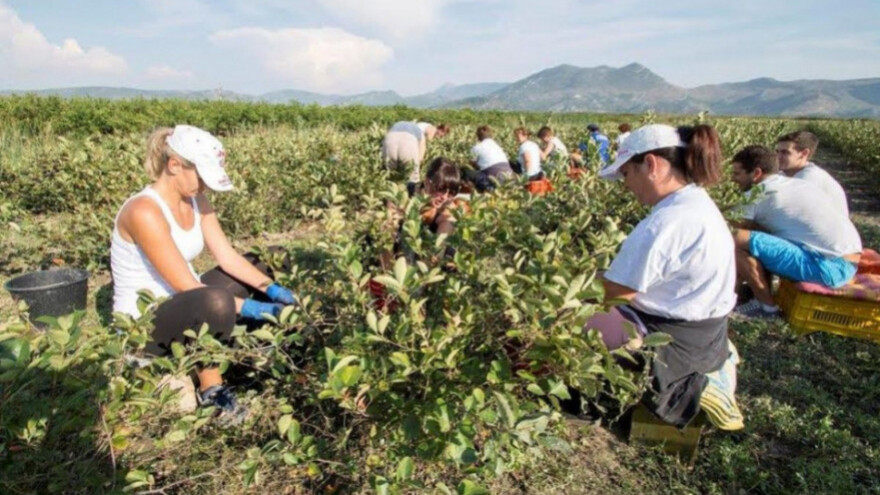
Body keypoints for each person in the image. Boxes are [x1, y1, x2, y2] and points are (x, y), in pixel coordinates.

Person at [111, 125, 297, 416]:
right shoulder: (143, 212)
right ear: (174, 165)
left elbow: (227, 257)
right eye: (201, 176)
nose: (206, 186)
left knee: (270, 259)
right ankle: (212, 391)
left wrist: (272, 289)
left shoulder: (196, 199)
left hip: (190, 305)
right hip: (146, 326)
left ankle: (256, 348)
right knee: (215, 301)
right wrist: (257, 308)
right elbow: (189, 287)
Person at [586, 123, 743, 431]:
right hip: (704, 337)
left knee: (556, 315)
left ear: (651, 165)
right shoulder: (695, 203)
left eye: (627, 174)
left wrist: (567, 291)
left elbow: (614, 293)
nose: (626, 185)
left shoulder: (668, 222)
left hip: (671, 345)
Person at [729, 145, 861, 318]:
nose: (733, 179)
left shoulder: (755, 195)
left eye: (737, 174)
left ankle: (766, 308)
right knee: (755, 238)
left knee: (731, 239)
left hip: (828, 268)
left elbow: (729, 231)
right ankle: (751, 294)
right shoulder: (796, 184)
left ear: (756, 173)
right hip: (847, 261)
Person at [776, 131, 849, 217]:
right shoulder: (785, 173)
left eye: (785, 152)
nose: (778, 156)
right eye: (777, 152)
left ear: (804, 153)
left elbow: (786, 209)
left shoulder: (809, 178)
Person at [382, 120, 449, 195]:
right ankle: (410, 200)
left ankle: (389, 202)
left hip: (389, 140)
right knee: (412, 181)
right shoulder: (421, 132)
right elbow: (420, 157)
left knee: (391, 178)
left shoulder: (399, 125)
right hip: (408, 142)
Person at [467, 125, 514, 192]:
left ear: (478, 137)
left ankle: (488, 189)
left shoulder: (477, 147)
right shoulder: (497, 145)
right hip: (508, 175)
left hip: (493, 175)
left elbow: (470, 165)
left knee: (468, 172)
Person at [514, 127, 553, 195]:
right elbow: (543, 157)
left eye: (518, 136)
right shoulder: (534, 144)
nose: (516, 138)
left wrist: (525, 177)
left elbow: (528, 161)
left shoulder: (523, 146)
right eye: (516, 136)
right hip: (538, 172)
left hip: (530, 175)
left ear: (525, 136)